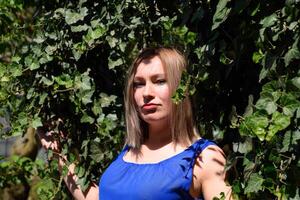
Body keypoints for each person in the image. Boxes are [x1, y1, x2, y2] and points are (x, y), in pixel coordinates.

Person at [39, 47, 232, 200]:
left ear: (182, 88)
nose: (146, 93)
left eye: (159, 81)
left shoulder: (205, 157)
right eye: (139, 84)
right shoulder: (130, 152)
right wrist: (58, 151)